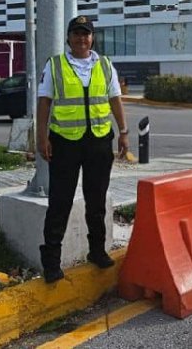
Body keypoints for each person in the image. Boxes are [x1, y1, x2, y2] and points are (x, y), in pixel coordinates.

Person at [36, 15, 130, 283]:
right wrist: (42, 137)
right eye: (76, 34)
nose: (81, 38)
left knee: (96, 200)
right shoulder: (55, 65)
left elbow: (115, 99)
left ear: (92, 38)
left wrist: (123, 133)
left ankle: (97, 251)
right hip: (65, 143)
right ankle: (52, 262)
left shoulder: (104, 65)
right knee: (60, 203)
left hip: (99, 141)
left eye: (86, 34)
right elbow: (44, 102)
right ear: (68, 38)